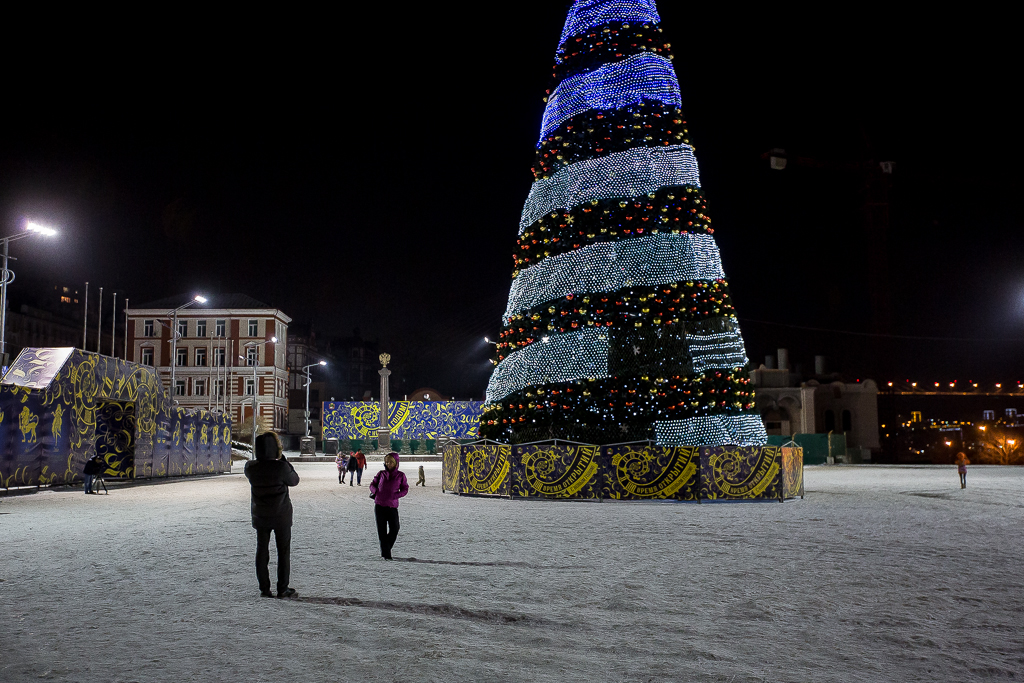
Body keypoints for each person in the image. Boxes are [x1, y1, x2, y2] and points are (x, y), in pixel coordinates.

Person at [244, 433, 300, 599]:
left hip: (261, 515)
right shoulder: (281, 468)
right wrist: (283, 460)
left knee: (262, 551)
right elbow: (294, 480)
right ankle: (282, 588)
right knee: (283, 552)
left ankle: (264, 588)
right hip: (281, 515)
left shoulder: (250, 467)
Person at [369, 452, 408, 560]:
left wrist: (396, 495)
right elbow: (372, 484)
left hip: (392, 506)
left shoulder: (401, 475)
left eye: (390, 462)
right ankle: (386, 555)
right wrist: (376, 491)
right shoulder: (381, 473)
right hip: (379, 505)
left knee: (395, 528)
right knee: (381, 531)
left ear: (396, 463)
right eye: (386, 461)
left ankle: (386, 550)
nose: (388, 464)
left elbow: (405, 488)